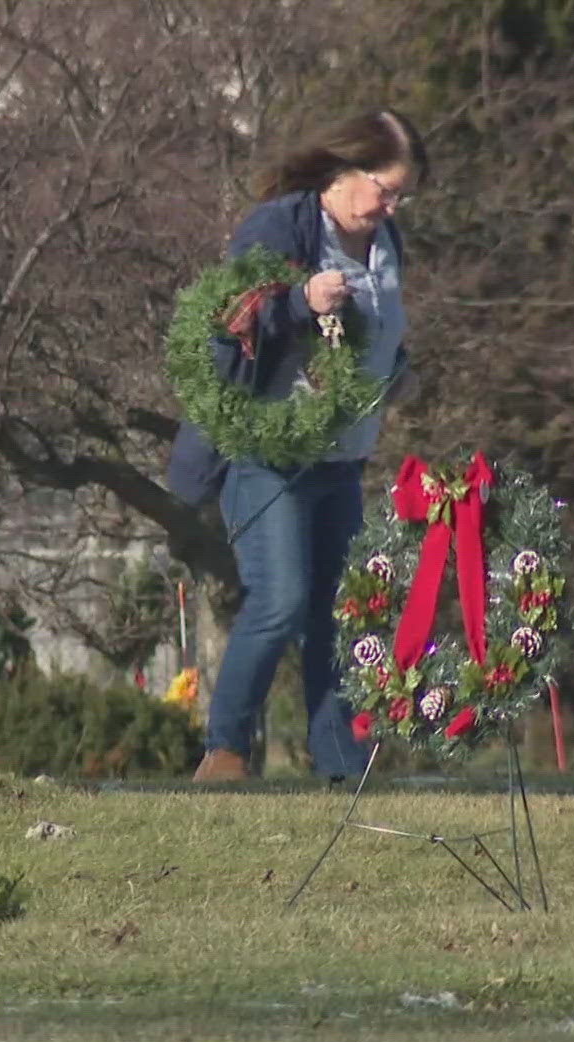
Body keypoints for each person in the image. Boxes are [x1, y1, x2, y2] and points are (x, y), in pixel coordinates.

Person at [166, 109, 427, 783]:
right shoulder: (281, 226)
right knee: (279, 600)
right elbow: (228, 322)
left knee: (337, 612)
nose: (393, 205)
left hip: (342, 457)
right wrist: (301, 300)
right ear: (344, 172)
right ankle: (224, 752)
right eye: (385, 188)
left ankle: (342, 763)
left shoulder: (387, 238)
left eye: (401, 195)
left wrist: (397, 374)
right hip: (267, 455)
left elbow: (383, 333)